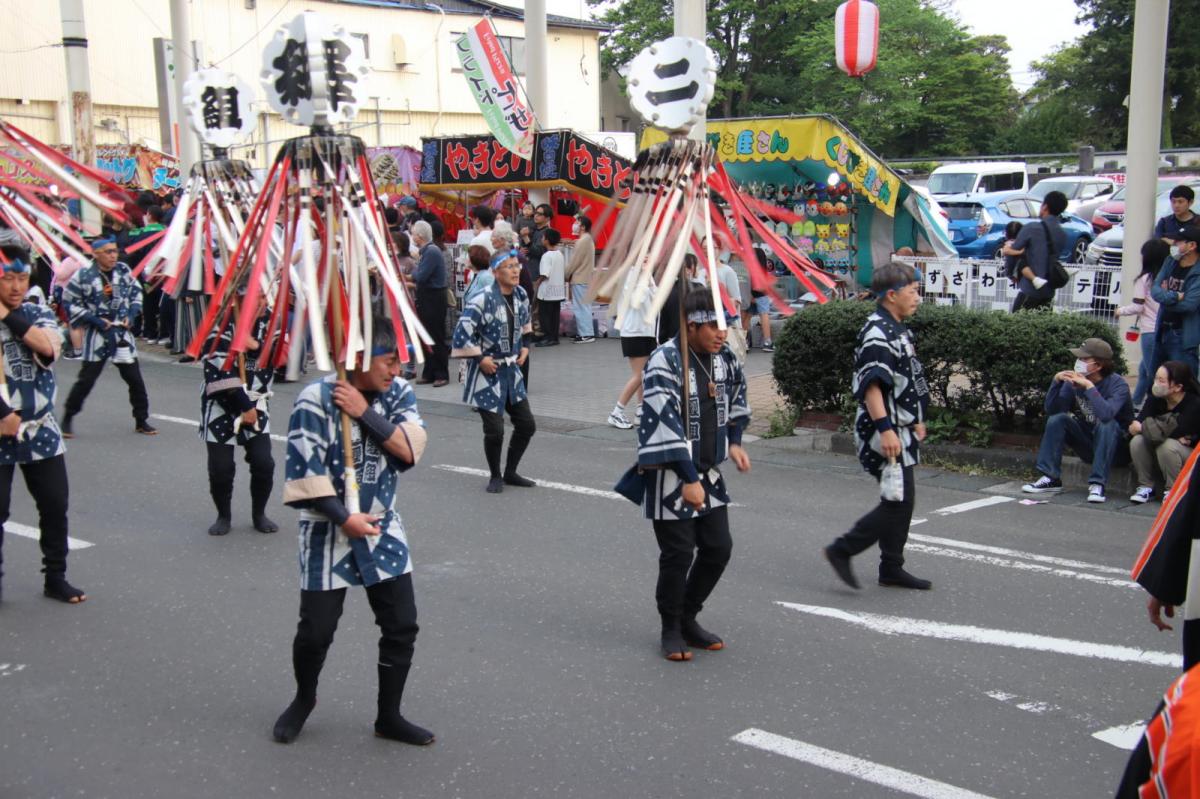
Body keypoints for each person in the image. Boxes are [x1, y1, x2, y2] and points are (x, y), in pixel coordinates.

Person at [272, 320, 433, 746]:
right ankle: (304, 698)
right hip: (328, 528)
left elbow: (411, 450)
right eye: (388, 359)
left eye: (399, 360)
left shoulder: (398, 393)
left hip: (382, 524)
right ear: (357, 359)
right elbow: (303, 475)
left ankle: (388, 716)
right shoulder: (315, 399)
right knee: (316, 632)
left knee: (402, 625)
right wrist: (344, 517)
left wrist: (364, 412)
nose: (396, 369)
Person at [617, 287, 751, 661]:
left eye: (724, 325)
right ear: (690, 325)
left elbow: (737, 399)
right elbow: (663, 423)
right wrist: (688, 479)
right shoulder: (664, 361)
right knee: (678, 554)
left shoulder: (722, 357)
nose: (721, 334)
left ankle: (689, 616)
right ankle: (670, 627)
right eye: (712, 326)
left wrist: (735, 441)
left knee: (718, 549)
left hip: (706, 473)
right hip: (671, 475)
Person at [823, 261, 932, 592]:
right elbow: (873, 386)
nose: (917, 298)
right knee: (898, 501)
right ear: (891, 295)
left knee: (901, 499)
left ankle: (891, 567)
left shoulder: (897, 326)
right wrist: (885, 429)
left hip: (900, 427)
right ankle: (843, 549)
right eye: (912, 292)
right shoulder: (876, 332)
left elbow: (904, 379)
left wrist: (917, 419)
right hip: (882, 430)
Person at [0, 250, 84, 604]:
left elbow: (50, 348)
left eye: (22, 278)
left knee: (53, 504)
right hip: (1, 425)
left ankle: (55, 576)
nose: (17, 286)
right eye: (8, 279)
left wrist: (7, 316)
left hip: (39, 427)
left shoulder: (36, 312)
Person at [450, 251, 535, 494]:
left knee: (526, 424)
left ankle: (510, 471)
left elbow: (527, 327)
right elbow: (461, 333)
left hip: (512, 371)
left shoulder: (520, 295)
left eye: (516, 265)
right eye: (509, 266)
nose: (515, 270)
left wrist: (526, 348)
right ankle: (495, 475)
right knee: (495, 429)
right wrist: (480, 358)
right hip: (487, 373)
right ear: (496, 272)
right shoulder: (482, 299)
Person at [60, 238, 157, 437]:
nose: (113, 255)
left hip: (121, 332)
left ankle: (141, 419)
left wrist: (131, 315)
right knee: (86, 380)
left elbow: (136, 293)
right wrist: (93, 320)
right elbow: (69, 302)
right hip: (97, 334)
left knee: (135, 379)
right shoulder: (83, 275)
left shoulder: (122, 271)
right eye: (107, 252)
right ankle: (68, 417)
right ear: (95, 254)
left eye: (114, 251)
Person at [198, 303, 278, 536]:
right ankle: (223, 515)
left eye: (264, 294)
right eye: (258, 294)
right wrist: (243, 406)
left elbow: (281, 355)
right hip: (222, 404)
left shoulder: (271, 321)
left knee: (264, 463)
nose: (262, 300)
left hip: (257, 403)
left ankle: (259, 514)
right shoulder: (221, 321)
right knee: (221, 469)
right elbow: (217, 371)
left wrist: (255, 346)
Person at [1021, 337, 1133, 503]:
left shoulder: (1118, 385)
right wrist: (1056, 382)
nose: (1078, 362)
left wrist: (1089, 387)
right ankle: (1050, 477)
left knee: (1107, 423)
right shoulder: (1074, 380)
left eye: (1084, 359)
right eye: (1078, 358)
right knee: (1058, 419)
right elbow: (1054, 410)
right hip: (1089, 446)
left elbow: (1106, 415)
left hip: (1117, 451)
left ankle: (1097, 484)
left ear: (1099, 365)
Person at [1128, 361, 1200, 503]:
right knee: (1137, 441)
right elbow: (1138, 423)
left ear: (1178, 387)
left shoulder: (1194, 404)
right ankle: (1146, 487)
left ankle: (1173, 490)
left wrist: (1145, 427)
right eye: (1156, 378)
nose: (1156, 384)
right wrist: (1147, 427)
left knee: (1167, 445)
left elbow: (1177, 429)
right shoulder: (1156, 398)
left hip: (1191, 454)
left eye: (1161, 380)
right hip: (1163, 450)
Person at [1117, 240, 1169, 407]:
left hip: (1150, 331)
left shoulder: (1146, 279)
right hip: (1166, 329)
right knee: (1144, 370)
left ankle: (1149, 406)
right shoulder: (1169, 278)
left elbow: (1138, 306)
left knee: (1151, 372)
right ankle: (1135, 403)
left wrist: (1120, 311)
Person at [608, 264, 658, 429]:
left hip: (646, 330)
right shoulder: (630, 274)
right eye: (643, 254)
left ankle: (640, 410)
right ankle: (617, 412)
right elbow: (637, 300)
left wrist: (648, 279)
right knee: (640, 374)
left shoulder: (647, 273)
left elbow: (656, 297)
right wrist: (645, 279)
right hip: (633, 330)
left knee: (643, 375)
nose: (646, 259)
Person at [1002, 190, 1068, 312]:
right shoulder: (1062, 234)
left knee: (1016, 326)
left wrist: (1010, 274)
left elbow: (1012, 254)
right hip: (1049, 291)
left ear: (1045, 207)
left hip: (1029, 290)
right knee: (1042, 328)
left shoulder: (1031, 228)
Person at [1151, 225, 1200, 377]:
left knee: (1184, 383)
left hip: (1182, 336)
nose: (1174, 245)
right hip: (1162, 331)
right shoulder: (1170, 261)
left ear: (1192, 245)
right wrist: (1174, 296)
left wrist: (1165, 297)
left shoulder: (1197, 273)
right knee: (1156, 379)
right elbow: (1155, 290)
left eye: (1178, 242)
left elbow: (1189, 305)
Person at [410, 220, 449, 387]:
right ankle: (429, 371)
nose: (412, 237)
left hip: (434, 297)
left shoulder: (431, 251)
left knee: (436, 336)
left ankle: (441, 373)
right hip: (428, 296)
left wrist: (411, 275)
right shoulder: (426, 251)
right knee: (426, 335)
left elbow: (421, 276)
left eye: (413, 234)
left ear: (419, 236)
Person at [565, 215, 596, 343]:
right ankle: (585, 332)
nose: (575, 224)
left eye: (577, 222)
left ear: (582, 226)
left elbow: (574, 261)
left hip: (580, 277)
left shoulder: (583, 241)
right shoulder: (587, 239)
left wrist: (566, 274)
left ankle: (586, 334)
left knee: (581, 307)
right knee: (584, 306)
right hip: (584, 277)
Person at [534, 228, 565, 347]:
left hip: (547, 291)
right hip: (558, 290)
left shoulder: (546, 256)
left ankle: (547, 337)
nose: (542, 239)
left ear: (547, 240)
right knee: (555, 315)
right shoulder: (559, 254)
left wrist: (538, 282)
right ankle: (554, 337)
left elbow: (544, 273)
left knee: (545, 315)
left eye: (543, 237)